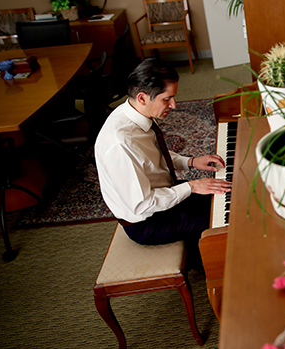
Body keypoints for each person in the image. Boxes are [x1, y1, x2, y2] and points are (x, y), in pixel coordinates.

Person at [94, 58, 231, 269]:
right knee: (220, 219)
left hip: (162, 195)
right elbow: (142, 204)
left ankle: (201, 255)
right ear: (142, 97)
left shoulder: (134, 112)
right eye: (167, 99)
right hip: (147, 222)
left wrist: (191, 162)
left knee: (224, 195)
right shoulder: (120, 143)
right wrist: (192, 186)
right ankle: (216, 271)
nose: (174, 105)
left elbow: (153, 157)